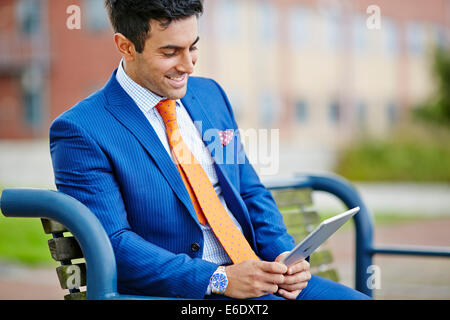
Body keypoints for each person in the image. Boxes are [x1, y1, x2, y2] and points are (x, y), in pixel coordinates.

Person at [49, 0, 370, 300]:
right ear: (126, 46)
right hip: (188, 293)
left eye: (193, 47)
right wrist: (220, 279)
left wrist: (283, 255)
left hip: (261, 278)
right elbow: (113, 244)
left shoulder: (210, 96)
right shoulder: (82, 130)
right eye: (171, 52)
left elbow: (249, 190)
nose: (187, 65)